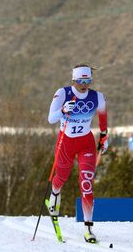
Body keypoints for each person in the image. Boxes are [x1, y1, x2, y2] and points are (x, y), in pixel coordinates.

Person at [47, 63, 109, 243]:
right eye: (81, 80)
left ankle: (88, 229)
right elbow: (51, 118)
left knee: (87, 183)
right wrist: (64, 110)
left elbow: (103, 120)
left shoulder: (98, 97)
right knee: (61, 177)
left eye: (88, 80)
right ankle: (55, 192)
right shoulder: (63, 93)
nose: (85, 84)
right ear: (74, 79)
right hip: (65, 142)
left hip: (85, 143)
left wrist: (104, 138)